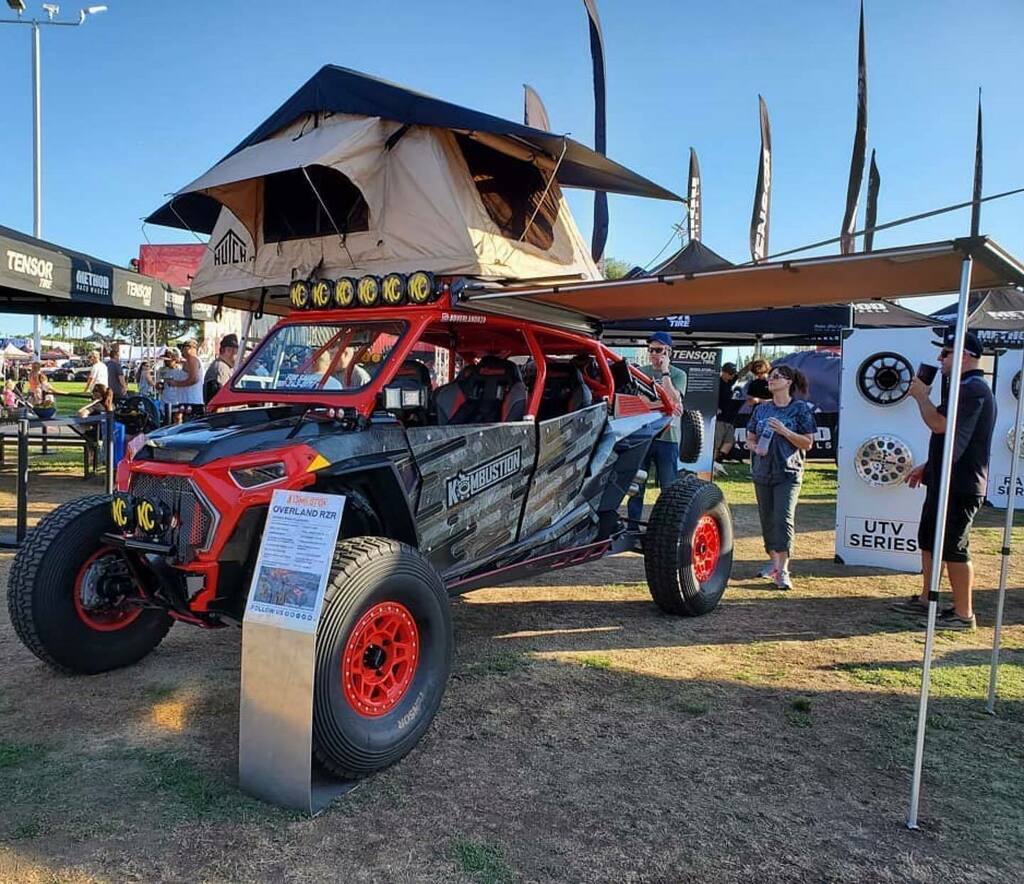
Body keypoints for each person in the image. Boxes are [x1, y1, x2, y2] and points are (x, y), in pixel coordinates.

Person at [891, 330, 996, 630]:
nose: (940, 358)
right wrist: (929, 465)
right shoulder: (964, 387)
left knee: (953, 548)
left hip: (962, 485)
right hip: (945, 477)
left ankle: (964, 615)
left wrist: (921, 396)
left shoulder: (973, 389)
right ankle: (928, 599)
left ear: (964, 355)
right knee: (929, 539)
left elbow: (940, 425)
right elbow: (957, 439)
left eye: (946, 352)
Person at [746, 364, 816, 589]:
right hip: (762, 472)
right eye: (770, 376)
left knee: (782, 518)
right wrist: (755, 447)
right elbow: (750, 436)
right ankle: (773, 563)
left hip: (788, 472)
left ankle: (783, 570)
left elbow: (808, 442)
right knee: (767, 519)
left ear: (788, 382)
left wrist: (785, 432)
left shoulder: (800, 409)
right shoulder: (761, 409)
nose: (771, 379)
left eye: (777, 377)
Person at [626, 331, 687, 529]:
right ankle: (632, 525)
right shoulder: (640, 371)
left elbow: (674, 398)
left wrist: (666, 372)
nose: (654, 354)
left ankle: (667, 527)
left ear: (668, 351)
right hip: (643, 434)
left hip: (667, 437)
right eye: (651, 349)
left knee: (668, 485)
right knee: (637, 484)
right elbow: (637, 401)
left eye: (659, 350)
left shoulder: (678, 374)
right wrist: (661, 402)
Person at [165, 339, 205, 418]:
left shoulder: (192, 359)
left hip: (191, 402)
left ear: (190, 348)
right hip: (187, 401)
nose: (181, 351)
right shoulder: (190, 361)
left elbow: (194, 379)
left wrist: (176, 383)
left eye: (183, 348)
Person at [714, 362, 741, 474]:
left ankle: (718, 462)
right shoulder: (717, 383)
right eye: (729, 373)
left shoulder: (731, 382)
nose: (731, 376)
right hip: (719, 418)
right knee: (717, 443)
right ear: (723, 372)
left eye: (733, 374)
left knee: (730, 441)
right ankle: (712, 466)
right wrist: (715, 408)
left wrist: (750, 365)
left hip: (729, 418)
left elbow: (741, 374)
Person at [203, 333, 239, 403]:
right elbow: (223, 398)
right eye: (236, 352)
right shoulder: (222, 368)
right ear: (228, 351)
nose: (236, 356)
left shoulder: (222, 366)